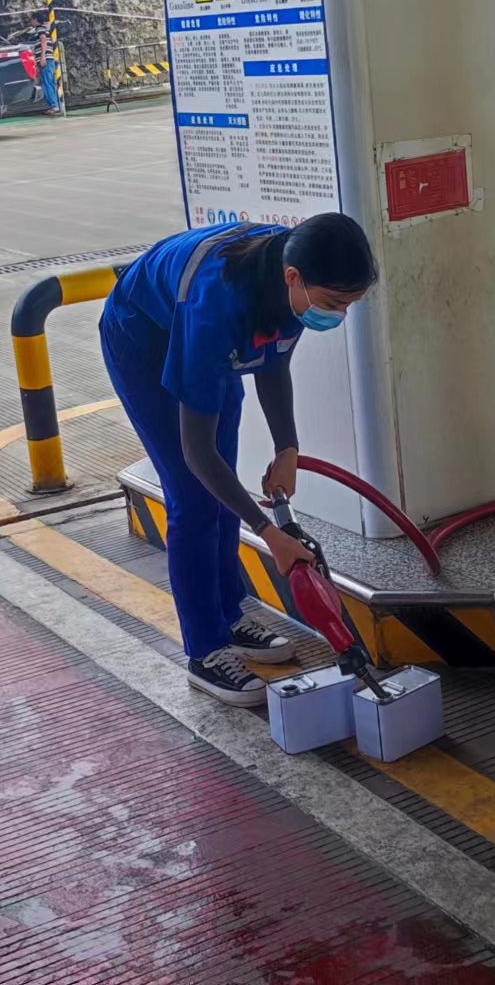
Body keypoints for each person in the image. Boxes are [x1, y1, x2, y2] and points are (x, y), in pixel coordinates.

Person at [99, 214, 380, 705]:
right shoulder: (216, 307)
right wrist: (269, 533)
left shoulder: (292, 278)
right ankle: (205, 651)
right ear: (293, 277)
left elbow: (274, 361)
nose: (339, 315)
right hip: (143, 338)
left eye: (349, 305)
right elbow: (197, 451)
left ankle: (228, 614)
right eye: (335, 303)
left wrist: (287, 448)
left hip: (199, 334)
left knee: (221, 485)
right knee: (192, 495)